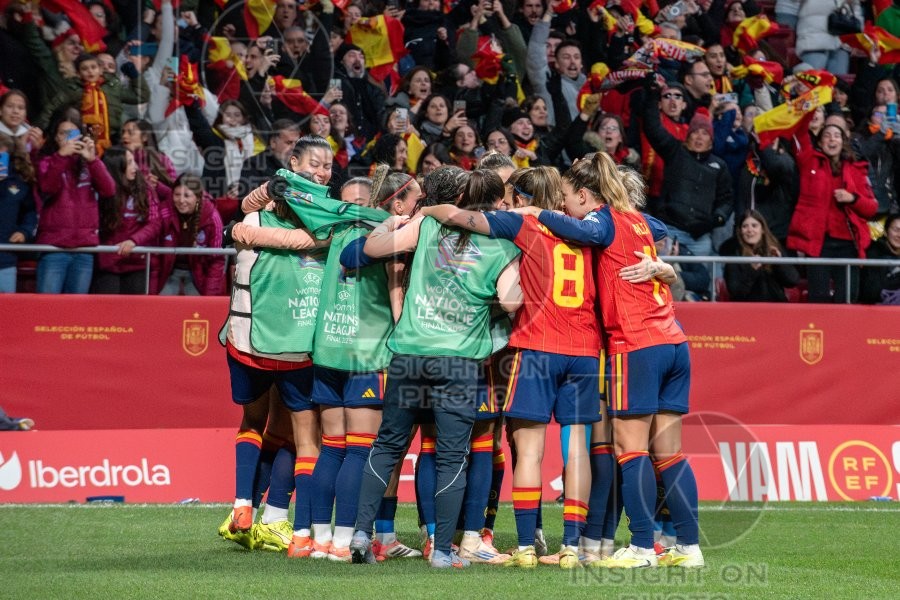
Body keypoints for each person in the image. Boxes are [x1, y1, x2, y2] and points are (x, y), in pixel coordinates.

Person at [514, 153, 702, 569]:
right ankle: (689, 548)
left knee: (629, 451)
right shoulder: (637, 221)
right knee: (669, 454)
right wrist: (662, 266)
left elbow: (581, 228)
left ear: (584, 195)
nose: (563, 205)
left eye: (567, 197)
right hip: (674, 340)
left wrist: (534, 211)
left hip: (636, 344)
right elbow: (658, 227)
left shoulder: (601, 221)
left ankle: (641, 547)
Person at [421, 166, 601, 569]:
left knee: (530, 451)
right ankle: (571, 546)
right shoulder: (589, 232)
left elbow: (458, 216)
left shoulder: (524, 225)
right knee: (577, 451)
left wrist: (427, 209)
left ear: (521, 198)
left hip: (537, 347)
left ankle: (524, 547)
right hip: (584, 350)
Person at [350, 169, 522, 569]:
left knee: (388, 445)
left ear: (461, 198)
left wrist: (394, 222)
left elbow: (374, 248)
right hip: (458, 362)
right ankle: (442, 551)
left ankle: (360, 533)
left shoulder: (428, 226)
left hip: (409, 354)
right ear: (496, 204)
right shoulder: (502, 247)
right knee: (451, 455)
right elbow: (512, 302)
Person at [787, 122, 877, 303]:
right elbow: (799, 133)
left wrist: (852, 198)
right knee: (818, 298)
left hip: (848, 244)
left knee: (847, 299)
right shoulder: (809, 161)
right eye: (827, 135)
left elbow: (871, 208)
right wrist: (805, 109)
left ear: (843, 142)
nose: (832, 139)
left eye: (836, 135)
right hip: (819, 242)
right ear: (820, 143)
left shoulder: (856, 169)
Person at [35, 112, 115, 294]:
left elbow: (109, 190)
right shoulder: (47, 161)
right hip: (54, 247)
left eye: (73, 133)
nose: (68, 138)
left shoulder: (89, 162)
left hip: (84, 248)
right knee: (47, 306)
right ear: (55, 137)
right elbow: (48, 188)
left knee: (76, 308)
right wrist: (61, 156)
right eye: (63, 133)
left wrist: (93, 160)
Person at [94, 146, 161, 294]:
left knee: (134, 307)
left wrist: (134, 241)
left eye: (134, 161)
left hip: (137, 262)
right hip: (107, 262)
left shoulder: (145, 189)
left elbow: (155, 223)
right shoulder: (102, 191)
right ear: (117, 167)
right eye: (130, 162)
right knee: (106, 307)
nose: (135, 167)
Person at [156, 174, 225, 295]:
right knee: (161, 305)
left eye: (187, 196)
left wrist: (209, 297)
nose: (181, 200)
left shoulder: (212, 217)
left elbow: (217, 260)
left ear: (198, 197)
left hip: (198, 276)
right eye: (177, 195)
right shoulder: (164, 211)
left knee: (197, 307)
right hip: (168, 274)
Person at [724, 210, 799, 302]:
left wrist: (779, 263)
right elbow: (735, 293)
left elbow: (793, 281)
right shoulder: (734, 256)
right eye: (745, 226)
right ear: (740, 231)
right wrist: (752, 271)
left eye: (754, 226)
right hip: (747, 308)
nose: (749, 230)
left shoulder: (774, 249)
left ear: (763, 229)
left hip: (776, 307)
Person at [0, 132, 36, 293]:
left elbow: (30, 212)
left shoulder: (19, 182)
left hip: (6, 259)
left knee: (6, 307)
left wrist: (24, 231)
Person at [860, 213, 900, 305]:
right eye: (896, 230)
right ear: (885, 232)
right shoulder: (873, 254)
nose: (899, 235)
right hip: (877, 307)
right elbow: (871, 292)